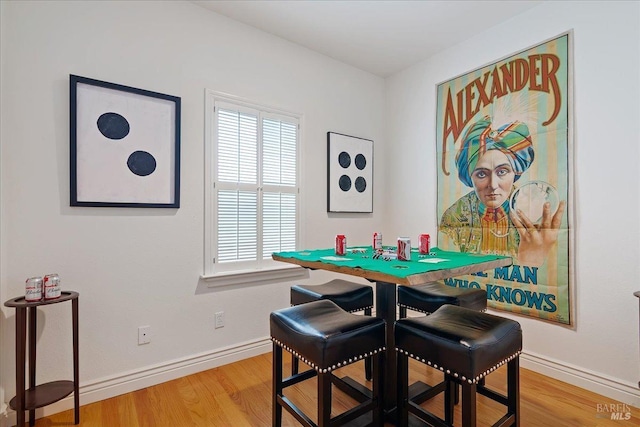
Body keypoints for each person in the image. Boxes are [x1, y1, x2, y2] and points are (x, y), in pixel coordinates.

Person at [440, 115, 565, 267]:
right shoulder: (453, 217)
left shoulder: (537, 212)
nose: (493, 185)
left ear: (516, 172)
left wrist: (533, 260)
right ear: (470, 176)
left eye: (502, 172)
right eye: (481, 174)